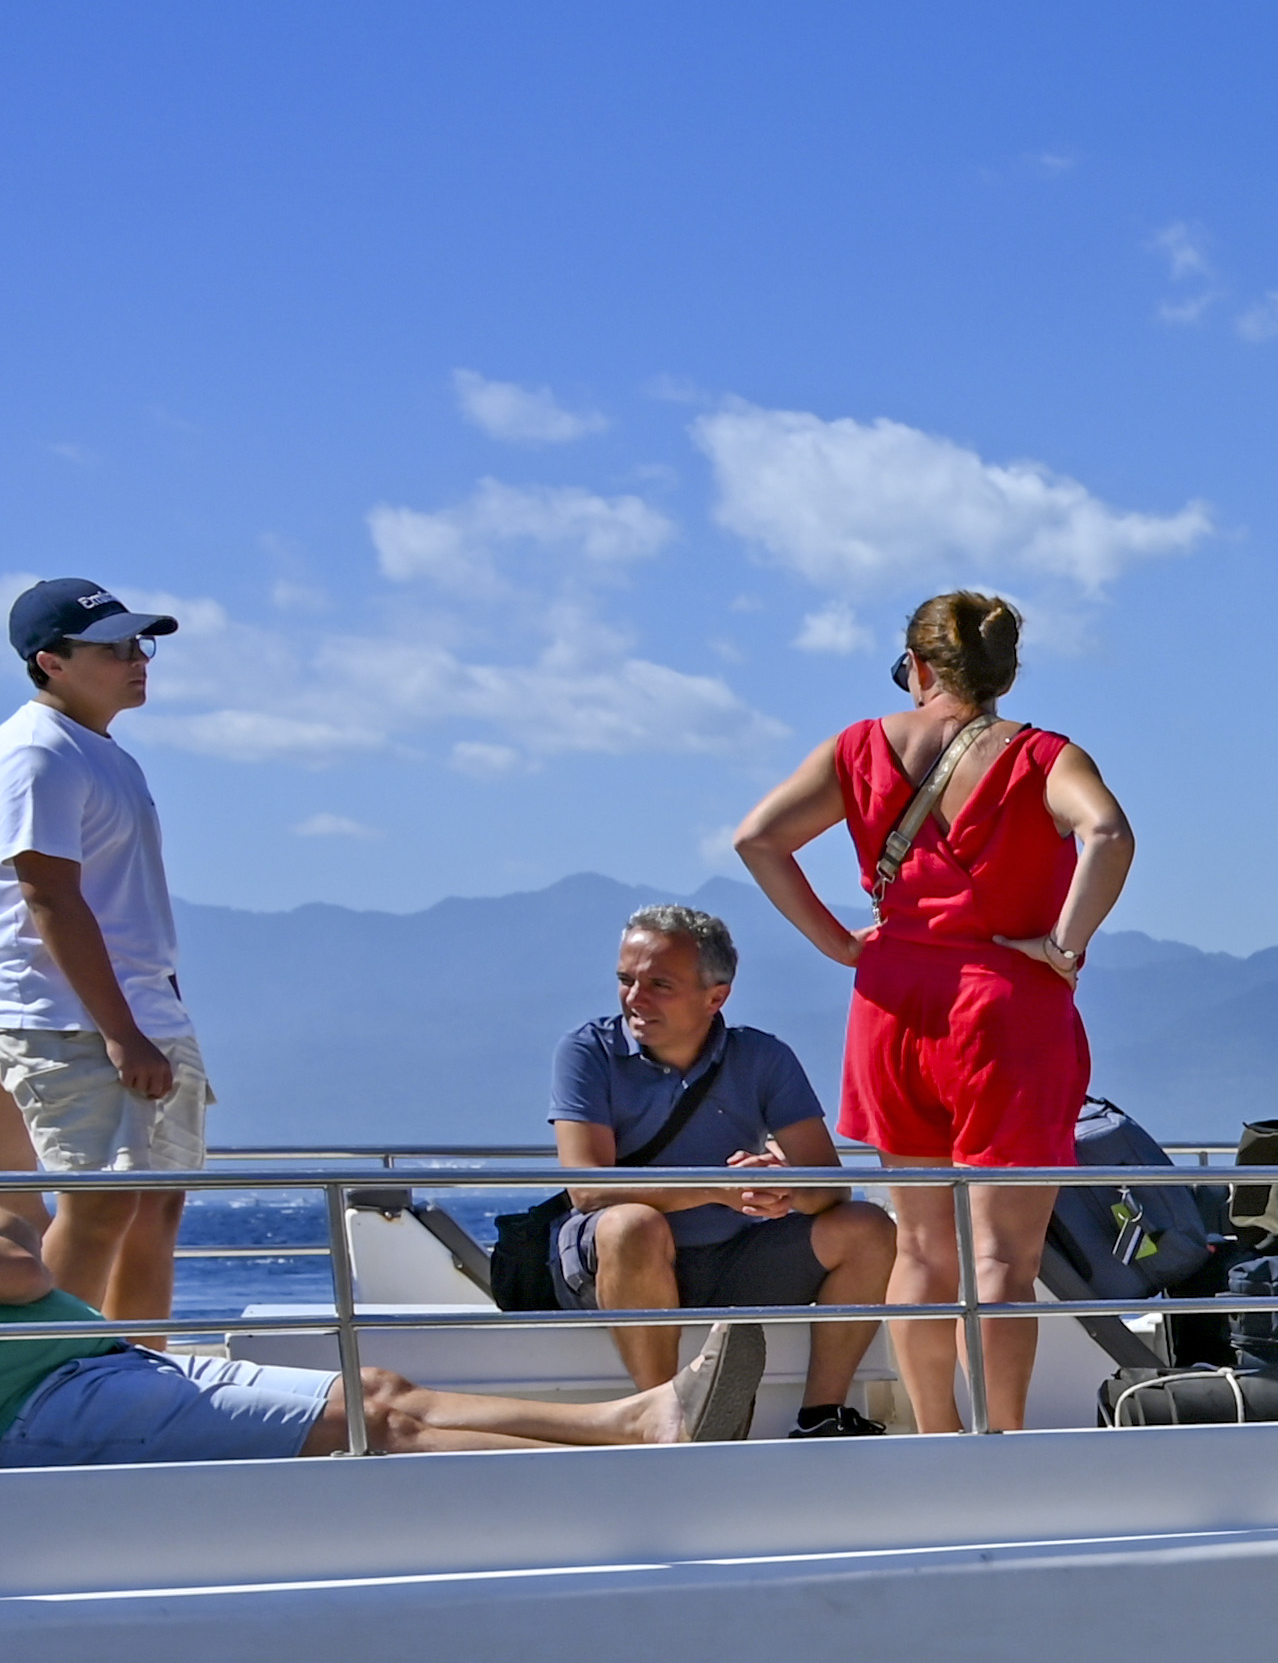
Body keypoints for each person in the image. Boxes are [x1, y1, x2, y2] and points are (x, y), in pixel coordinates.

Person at [727, 590, 1136, 1435]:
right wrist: (1063, 946)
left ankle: (936, 1439)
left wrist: (839, 943)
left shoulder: (857, 747)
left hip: (891, 1007)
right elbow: (1108, 834)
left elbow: (757, 839)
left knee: (920, 1248)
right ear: (1005, 675)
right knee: (1001, 1259)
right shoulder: (1043, 757)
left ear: (916, 666)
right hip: (1004, 1012)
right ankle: (1002, 1444)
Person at [2, 1087, 734, 1459]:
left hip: (96, 1365)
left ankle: (637, 1421)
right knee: (375, 1424)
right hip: (34, 1406)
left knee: (381, 1388)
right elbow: (25, 1266)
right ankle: (632, 1477)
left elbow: (22, 1230)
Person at [550, 905, 897, 1428]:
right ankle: (664, 1418)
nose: (634, 999)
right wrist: (719, 1188)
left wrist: (781, 1188)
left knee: (868, 1227)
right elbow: (589, 1190)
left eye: (658, 984)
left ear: (716, 997)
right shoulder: (586, 1051)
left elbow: (830, 1186)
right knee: (632, 1225)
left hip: (731, 1255)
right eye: (626, 980)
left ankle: (822, 1415)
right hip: (619, 1263)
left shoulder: (763, 1057)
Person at [1, 581, 198, 1322]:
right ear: (51, 662)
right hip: (72, 1020)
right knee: (101, 1201)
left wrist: (163, 1012)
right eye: (113, 648)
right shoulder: (38, 752)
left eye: (138, 644)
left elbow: (126, 903)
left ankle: (139, 1366)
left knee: (154, 1207)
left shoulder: (106, 755)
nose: (136, 659)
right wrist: (122, 1031)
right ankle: (45, 1374)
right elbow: (48, 895)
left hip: (140, 1015)